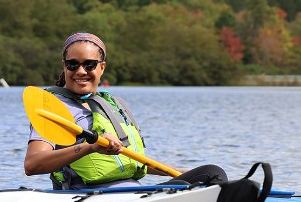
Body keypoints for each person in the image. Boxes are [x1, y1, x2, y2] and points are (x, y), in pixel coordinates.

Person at [24, 32, 227, 190]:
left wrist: (177, 172)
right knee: (208, 175)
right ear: (64, 66)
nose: (80, 71)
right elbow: (33, 165)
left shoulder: (112, 105)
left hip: (131, 195)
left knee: (208, 176)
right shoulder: (54, 109)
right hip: (87, 199)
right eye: (73, 64)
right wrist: (90, 147)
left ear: (102, 67)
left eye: (89, 64)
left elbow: (130, 160)